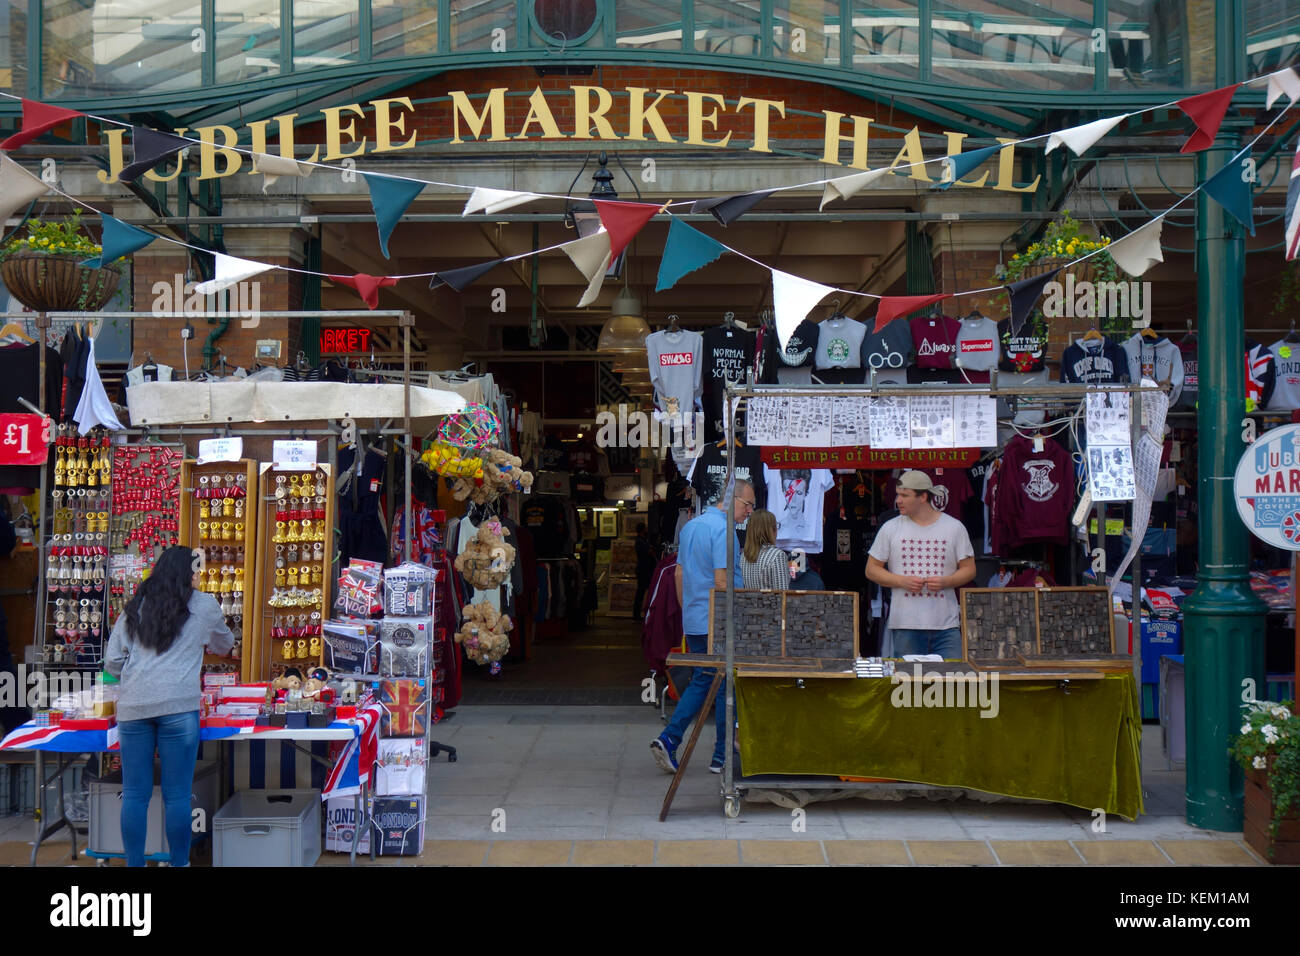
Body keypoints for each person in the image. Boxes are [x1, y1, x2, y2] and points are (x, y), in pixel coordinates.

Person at [104, 546, 235, 867]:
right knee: (177, 795)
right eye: (195, 571)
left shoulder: (135, 607)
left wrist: (133, 676)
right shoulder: (204, 606)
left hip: (133, 706)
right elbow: (225, 645)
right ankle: (180, 863)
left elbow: (112, 661)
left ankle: (135, 864)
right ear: (186, 573)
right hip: (179, 707)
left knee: (135, 794)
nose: (197, 576)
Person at [651, 479, 755, 774]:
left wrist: (690, 610)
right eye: (748, 505)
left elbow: (678, 575)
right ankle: (704, 749)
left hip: (696, 617)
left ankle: (697, 748)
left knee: (711, 679)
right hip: (718, 619)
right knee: (717, 681)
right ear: (734, 499)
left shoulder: (692, 527)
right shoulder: (725, 531)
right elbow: (722, 582)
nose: (749, 512)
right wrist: (731, 621)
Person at [865, 470, 975, 659]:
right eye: (898, 494)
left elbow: (969, 569)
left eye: (904, 495)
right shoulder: (890, 528)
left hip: (946, 626)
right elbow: (871, 569)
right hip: (906, 625)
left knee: (952, 683)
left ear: (923, 496)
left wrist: (946, 581)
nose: (898, 500)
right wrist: (901, 581)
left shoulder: (954, 527)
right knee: (910, 685)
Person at [740, 509, 788, 590]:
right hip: (770, 602)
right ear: (771, 530)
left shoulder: (743, 556)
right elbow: (782, 593)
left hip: (748, 602)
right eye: (776, 526)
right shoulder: (777, 555)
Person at [633, 522, 657, 619]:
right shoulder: (640, 541)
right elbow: (649, 551)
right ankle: (637, 614)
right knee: (641, 592)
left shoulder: (642, 540)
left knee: (641, 592)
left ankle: (638, 613)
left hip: (644, 569)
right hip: (644, 570)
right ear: (643, 529)